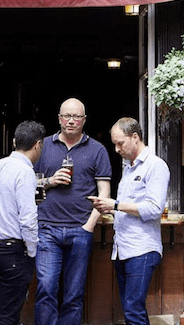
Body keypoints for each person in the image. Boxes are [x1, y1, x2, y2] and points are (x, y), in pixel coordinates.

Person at [33, 98, 113, 325]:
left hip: (80, 229)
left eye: (76, 116)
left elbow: (104, 192)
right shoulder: (43, 146)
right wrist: (49, 181)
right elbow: (27, 184)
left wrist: (89, 225)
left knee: (74, 294)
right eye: (66, 116)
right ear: (58, 118)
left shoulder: (97, 150)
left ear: (84, 120)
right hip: (46, 228)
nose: (71, 121)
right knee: (46, 287)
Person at [89, 117, 170, 325]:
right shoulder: (128, 168)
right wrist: (107, 208)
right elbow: (127, 208)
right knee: (131, 309)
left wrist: (115, 205)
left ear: (135, 137)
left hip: (141, 249)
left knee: (133, 309)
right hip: (122, 248)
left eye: (120, 143)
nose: (116, 149)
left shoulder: (155, 166)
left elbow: (154, 209)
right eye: (114, 144)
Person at [0, 120, 46, 325]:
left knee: (5, 312)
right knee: (8, 317)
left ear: (15, 141)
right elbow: (28, 218)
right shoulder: (25, 172)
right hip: (12, 252)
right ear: (38, 145)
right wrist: (32, 251)